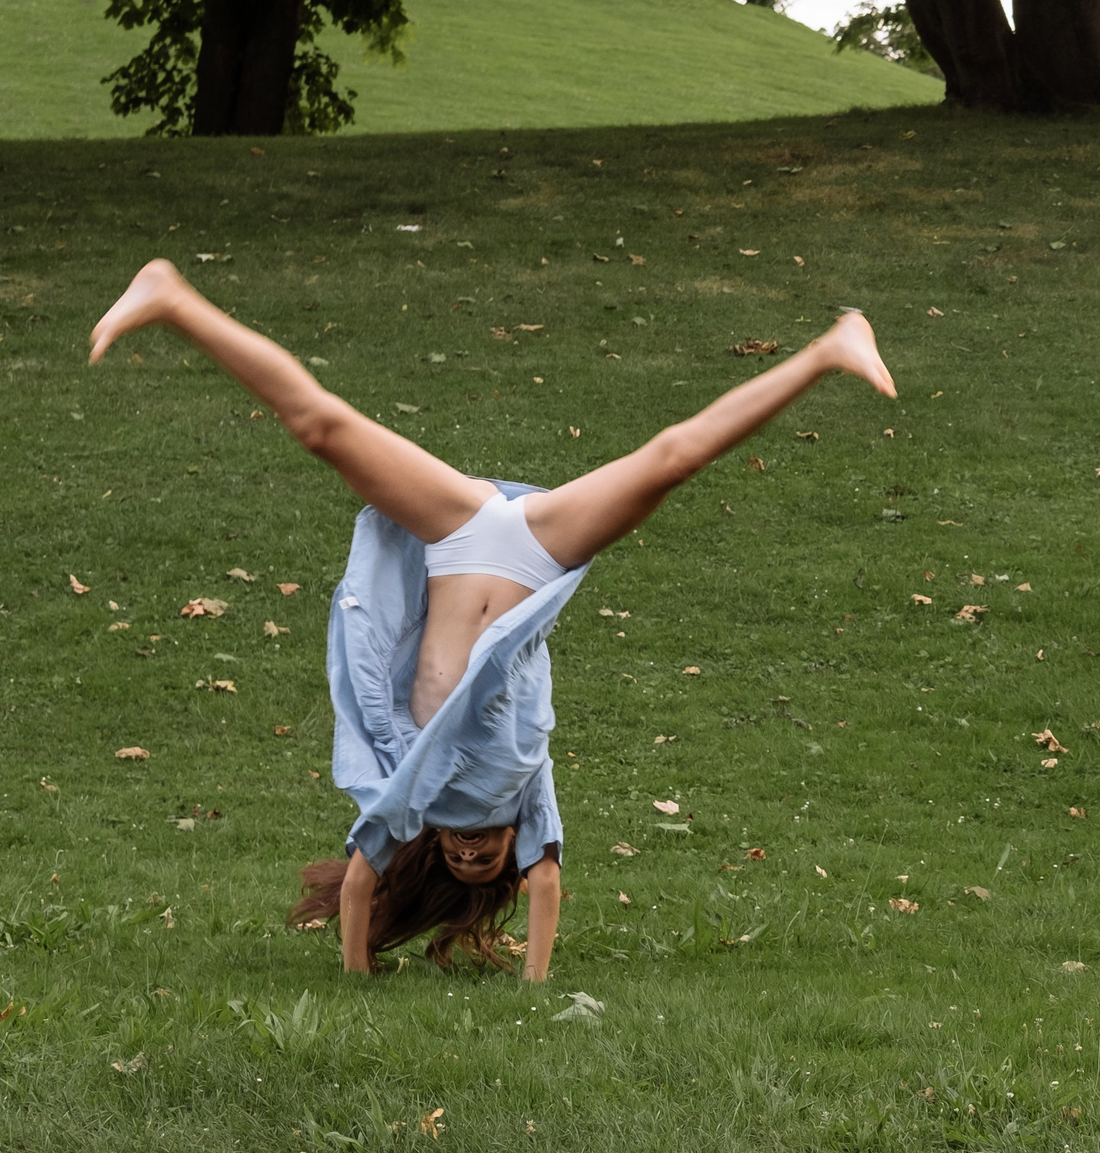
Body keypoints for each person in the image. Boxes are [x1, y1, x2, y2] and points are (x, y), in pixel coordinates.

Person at [87, 258, 896, 977]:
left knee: (320, 427)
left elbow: (363, 878)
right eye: (485, 855)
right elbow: (547, 882)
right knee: (672, 459)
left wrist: (357, 966)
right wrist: (537, 979)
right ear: (512, 844)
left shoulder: (409, 795)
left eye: (461, 854)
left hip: (453, 537)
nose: (471, 848)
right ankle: (830, 349)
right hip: (535, 553)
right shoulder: (527, 792)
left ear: (434, 848)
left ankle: (173, 298)